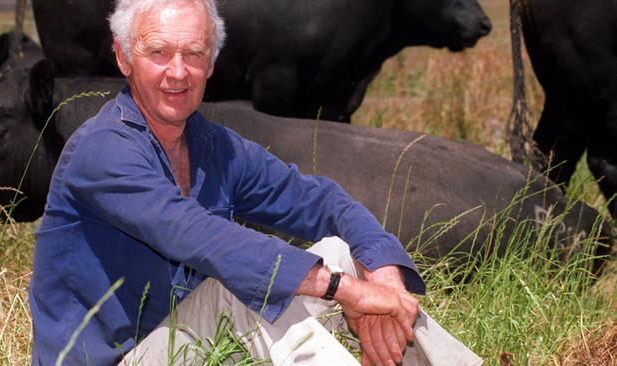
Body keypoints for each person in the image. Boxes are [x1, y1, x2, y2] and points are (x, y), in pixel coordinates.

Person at [29, 0, 481, 365]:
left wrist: (381, 275)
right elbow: (202, 237)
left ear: (212, 62)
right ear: (124, 57)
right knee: (239, 286)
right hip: (114, 359)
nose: (178, 72)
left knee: (342, 251)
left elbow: (321, 201)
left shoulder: (212, 145)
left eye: (193, 54)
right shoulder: (103, 149)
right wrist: (344, 290)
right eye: (159, 52)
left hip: (186, 345)